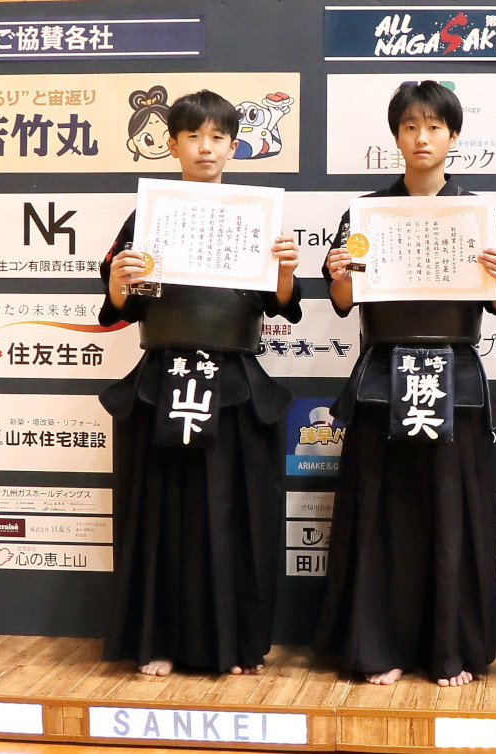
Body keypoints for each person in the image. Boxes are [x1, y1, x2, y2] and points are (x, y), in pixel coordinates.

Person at [313, 81, 496, 687]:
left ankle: (449, 647)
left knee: (454, 517)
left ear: (454, 136)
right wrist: (338, 274)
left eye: (433, 127)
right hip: (383, 375)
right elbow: (343, 301)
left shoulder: (479, 213)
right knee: (382, 514)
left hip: (456, 378)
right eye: (410, 127)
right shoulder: (365, 214)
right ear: (396, 136)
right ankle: (380, 645)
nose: (421, 137)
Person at [98, 89, 302, 676]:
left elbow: (283, 306)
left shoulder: (259, 214)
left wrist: (286, 271)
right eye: (193, 136)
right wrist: (118, 282)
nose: (205, 148)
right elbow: (118, 310)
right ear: (173, 145)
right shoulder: (146, 216)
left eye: (217, 137)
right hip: (162, 379)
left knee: (235, 515)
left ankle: (233, 644)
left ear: (234, 147)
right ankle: (157, 640)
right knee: (160, 513)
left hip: (234, 381)